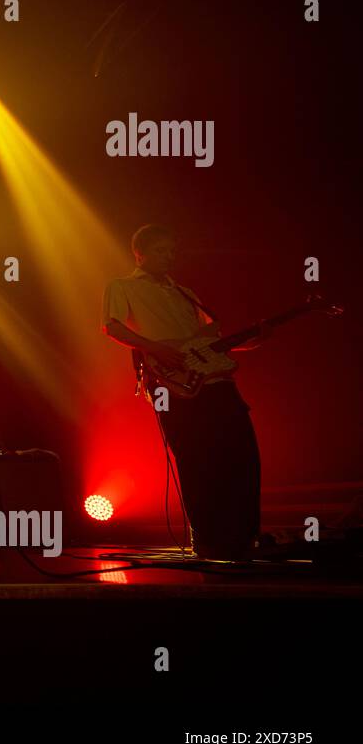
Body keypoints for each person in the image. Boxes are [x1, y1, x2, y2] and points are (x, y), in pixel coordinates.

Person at [101, 223, 265, 560]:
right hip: (173, 384)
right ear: (140, 253)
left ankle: (243, 538)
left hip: (217, 382)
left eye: (172, 251)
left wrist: (250, 342)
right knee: (195, 459)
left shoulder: (184, 292)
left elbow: (208, 342)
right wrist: (155, 349)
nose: (169, 257)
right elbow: (112, 326)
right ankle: (207, 539)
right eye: (161, 250)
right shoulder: (123, 286)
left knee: (243, 455)